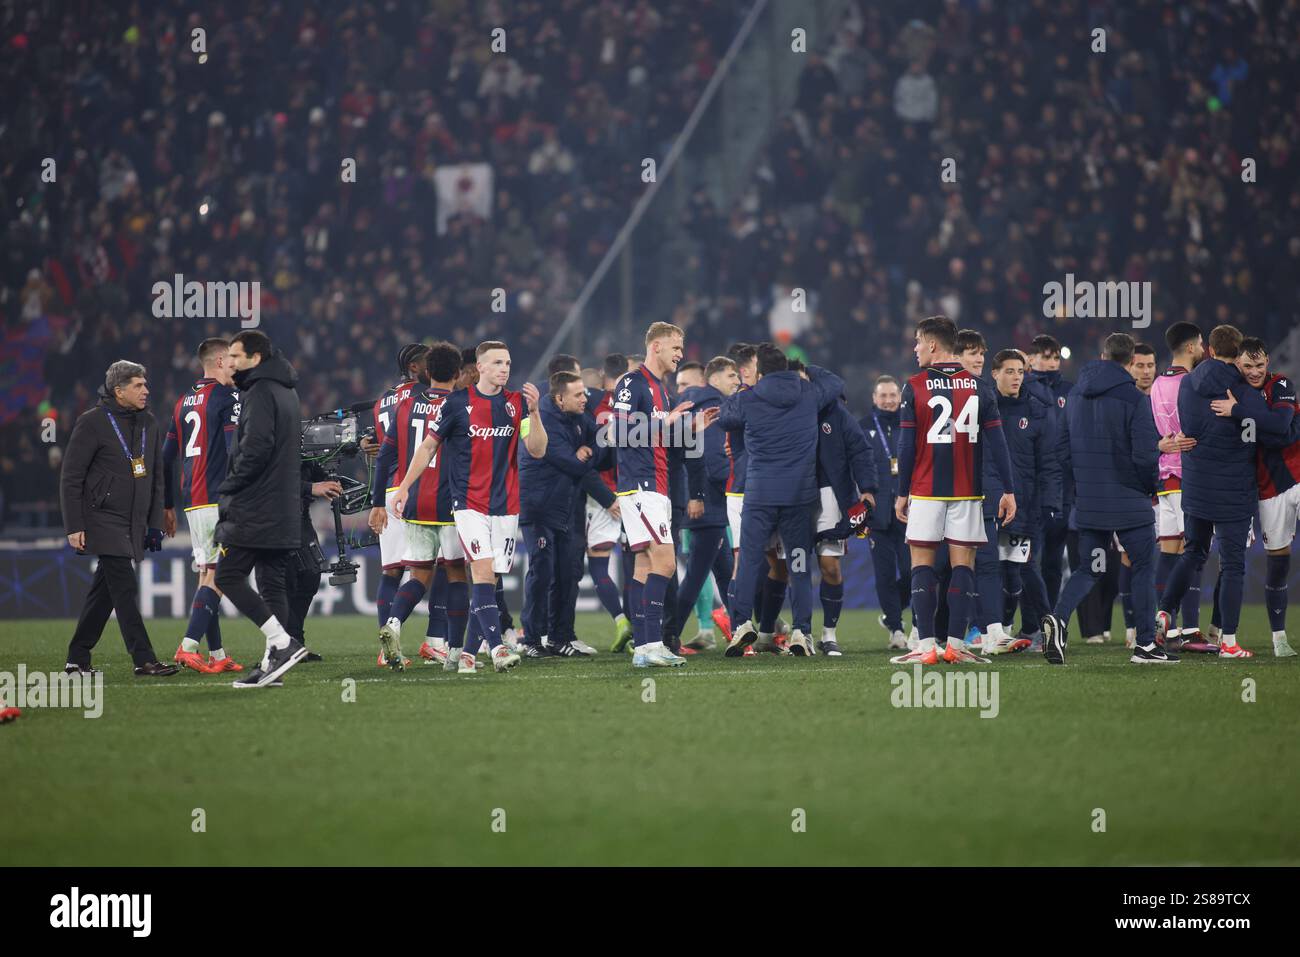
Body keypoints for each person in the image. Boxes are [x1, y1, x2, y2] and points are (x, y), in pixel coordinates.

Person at [391, 340, 547, 675]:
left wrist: (535, 412)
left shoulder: (517, 404)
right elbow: (428, 448)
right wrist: (404, 487)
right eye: (497, 363)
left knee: (487, 582)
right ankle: (499, 649)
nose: (505, 368)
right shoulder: (457, 403)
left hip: (505, 505)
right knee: (482, 572)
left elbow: (536, 450)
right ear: (480, 368)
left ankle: (467, 655)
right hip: (468, 504)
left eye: (507, 362)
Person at [1159, 326, 1295, 659]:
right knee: (1233, 566)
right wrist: (1239, 411)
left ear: (1209, 350)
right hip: (1233, 489)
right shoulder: (1241, 390)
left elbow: (1187, 430)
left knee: (1192, 553)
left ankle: (1163, 612)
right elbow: (1273, 426)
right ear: (1237, 355)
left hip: (1195, 485)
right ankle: (1228, 642)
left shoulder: (1188, 383)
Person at [889, 316, 1016, 667]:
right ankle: (956, 646)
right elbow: (998, 443)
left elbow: (906, 447)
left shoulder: (913, 386)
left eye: (917, 342)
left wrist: (901, 492)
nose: (915, 349)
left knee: (922, 564)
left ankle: (926, 645)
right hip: (968, 492)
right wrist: (1009, 489)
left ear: (932, 345)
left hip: (926, 491)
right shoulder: (980, 388)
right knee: (965, 565)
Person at [1042, 333, 1162, 665]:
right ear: (1130, 361)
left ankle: (1060, 619)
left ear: (1102, 355)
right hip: (1130, 502)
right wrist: (1149, 488)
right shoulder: (1135, 399)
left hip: (1090, 502)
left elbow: (1061, 449)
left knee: (1089, 568)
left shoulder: (1076, 395)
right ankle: (1146, 644)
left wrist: (1083, 483)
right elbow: (1145, 456)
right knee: (1142, 566)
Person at [719, 343, 844, 657]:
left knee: (748, 561)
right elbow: (835, 383)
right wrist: (804, 368)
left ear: (760, 372)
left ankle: (742, 624)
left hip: (760, 494)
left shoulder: (749, 397)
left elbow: (725, 416)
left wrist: (746, 387)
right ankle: (802, 631)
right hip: (799, 496)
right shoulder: (808, 394)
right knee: (798, 564)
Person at [608, 322, 718, 667]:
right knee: (667, 563)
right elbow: (619, 432)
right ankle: (653, 643)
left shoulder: (662, 390)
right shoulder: (632, 382)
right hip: (640, 485)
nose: (680, 355)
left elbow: (661, 437)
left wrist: (690, 428)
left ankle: (643, 649)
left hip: (656, 485)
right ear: (655, 347)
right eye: (675, 348)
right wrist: (669, 421)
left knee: (644, 566)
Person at [60, 360, 178, 677]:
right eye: (138, 385)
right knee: (125, 588)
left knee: (105, 593)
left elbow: (156, 478)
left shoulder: (149, 423)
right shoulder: (92, 422)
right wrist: (74, 525)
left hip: (133, 520)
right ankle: (144, 658)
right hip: (101, 518)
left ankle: (77, 658)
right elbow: (71, 478)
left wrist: (154, 522)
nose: (146, 391)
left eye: (146, 384)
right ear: (119, 390)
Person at [214, 330, 309, 688]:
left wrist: (230, 486)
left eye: (236, 356)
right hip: (283, 506)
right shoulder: (287, 390)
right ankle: (274, 665)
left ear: (255, 359)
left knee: (227, 576)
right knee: (272, 586)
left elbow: (255, 448)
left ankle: (283, 644)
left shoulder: (259, 392)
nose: (230, 363)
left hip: (258, 506)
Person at [368, 342, 463, 669]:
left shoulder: (394, 402)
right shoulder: (459, 404)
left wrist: (376, 500)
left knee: (400, 571)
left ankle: (390, 633)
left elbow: (382, 451)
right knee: (452, 571)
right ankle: (446, 645)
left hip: (401, 493)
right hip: (441, 492)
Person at [163, 337, 242, 673]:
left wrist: (167, 505)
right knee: (221, 574)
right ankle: (188, 645)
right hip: (218, 496)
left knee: (206, 576)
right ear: (221, 360)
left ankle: (218, 653)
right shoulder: (227, 396)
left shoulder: (182, 402)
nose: (237, 365)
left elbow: (166, 457)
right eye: (233, 359)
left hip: (193, 501)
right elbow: (234, 446)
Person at [519, 370, 606, 657]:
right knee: (542, 571)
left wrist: (588, 451)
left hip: (565, 509)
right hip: (539, 509)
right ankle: (530, 638)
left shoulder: (578, 418)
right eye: (579, 394)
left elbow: (603, 449)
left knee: (567, 573)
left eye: (585, 393)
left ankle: (560, 637)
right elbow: (571, 464)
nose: (586, 398)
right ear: (559, 398)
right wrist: (581, 456)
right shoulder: (541, 421)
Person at [983, 349, 1059, 654]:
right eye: (1010, 371)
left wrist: (1051, 502)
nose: (1016, 377)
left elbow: (1049, 462)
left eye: (1020, 371)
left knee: (1023, 568)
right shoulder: (983, 408)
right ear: (995, 374)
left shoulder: (1036, 410)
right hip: (987, 502)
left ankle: (1048, 624)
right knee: (987, 567)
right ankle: (992, 630)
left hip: (1023, 504)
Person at [1232, 337, 1300, 657]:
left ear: (1268, 362)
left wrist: (1239, 413)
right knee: (1278, 563)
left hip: (1298, 477)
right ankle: (1279, 639)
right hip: (1268, 489)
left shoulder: (1281, 382)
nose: (1256, 371)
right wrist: (1270, 428)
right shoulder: (1235, 391)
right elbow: (1279, 431)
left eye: (1260, 365)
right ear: (1237, 364)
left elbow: (1283, 424)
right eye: (1248, 365)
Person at [1145, 323, 1209, 651]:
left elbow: (1155, 432)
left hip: (1165, 479)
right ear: (1189, 347)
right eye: (1200, 343)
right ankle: (1191, 629)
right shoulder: (1192, 382)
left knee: (1168, 554)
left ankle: (1163, 629)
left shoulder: (1156, 384)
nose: (1204, 349)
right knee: (1193, 553)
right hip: (1189, 477)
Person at [673, 356, 740, 651]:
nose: (736, 381)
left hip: (703, 501)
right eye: (731, 376)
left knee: (725, 573)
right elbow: (713, 460)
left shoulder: (693, 406)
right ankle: (667, 633)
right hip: (708, 502)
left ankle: (742, 629)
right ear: (711, 380)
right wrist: (737, 480)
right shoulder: (713, 408)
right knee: (697, 574)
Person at [811, 379, 879, 656]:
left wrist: (867, 488)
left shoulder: (837, 415)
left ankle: (828, 634)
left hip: (829, 495)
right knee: (788, 568)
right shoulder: (789, 409)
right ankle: (793, 632)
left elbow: (860, 451)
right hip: (791, 494)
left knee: (830, 567)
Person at [367, 343, 428, 644]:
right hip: (418, 484)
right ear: (414, 368)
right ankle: (436, 642)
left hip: (388, 487)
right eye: (427, 362)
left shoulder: (383, 400)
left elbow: (379, 444)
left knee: (392, 571)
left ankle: (384, 643)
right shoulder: (424, 396)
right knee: (438, 567)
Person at [861, 375, 912, 650]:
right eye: (884, 396)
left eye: (893, 395)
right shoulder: (864, 427)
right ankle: (895, 628)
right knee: (883, 574)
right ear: (874, 398)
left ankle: (896, 611)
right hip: (877, 514)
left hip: (909, 510)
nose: (889, 400)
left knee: (910, 570)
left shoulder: (911, 423)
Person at [587, 353, 634, 651]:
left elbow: (591, 456)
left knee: (598, 565)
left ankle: (620, 619)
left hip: (603, 497)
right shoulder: (636, 406)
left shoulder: (593, 406)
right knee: (637, 566)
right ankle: (642, 632)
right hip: (636, 494)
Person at [285, 460, 342, 658]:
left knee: (311, 575)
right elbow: (271, 479)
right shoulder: (270, 439)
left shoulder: (300, 444)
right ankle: (285, 644)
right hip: (274, 516)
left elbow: (318, 473)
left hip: (300, 514)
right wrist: (310, 487)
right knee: (285, 580)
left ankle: (295, 643)